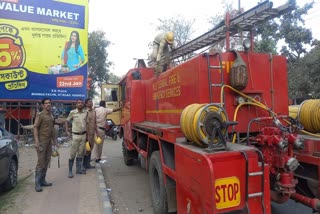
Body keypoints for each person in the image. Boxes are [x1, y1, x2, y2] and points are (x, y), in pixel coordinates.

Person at [33, 98, 57, 192]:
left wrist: (55, 141)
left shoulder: (51, 115)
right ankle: (37, 184)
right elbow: (35, 128)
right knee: (41, 162)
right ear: (43, 105)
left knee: (46, 161)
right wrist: (37, 142)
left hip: (49, 142)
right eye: (46, 103)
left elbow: (52, 129)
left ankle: (43, 180)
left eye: (49, 103)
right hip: (42, 142)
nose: (48, 105)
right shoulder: (40, 115)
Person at [65, 99, 88, 178]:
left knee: (80, 153)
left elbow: (86, 123)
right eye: (78, 103)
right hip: (75, 136)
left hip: (83, 135)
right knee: (72, 154)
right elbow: (67, 121)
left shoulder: (86, 113)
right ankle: (70, 171)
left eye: (81, 103)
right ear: (76, 104)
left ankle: (78, 170)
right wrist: (67, 131)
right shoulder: (72, 112)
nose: (80, 104)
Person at [83, 98, 97, 169]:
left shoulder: (94, 112)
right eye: (89, 102)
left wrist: (96, 133)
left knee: (90, 148)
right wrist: (86, 136)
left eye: (91, 102)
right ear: (86, 104)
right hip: (87, 134)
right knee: (86, 149)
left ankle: (87, 164)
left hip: (92, 134)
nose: (91, 103)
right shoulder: (85, 112)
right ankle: (83, 165)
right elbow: (84, 124)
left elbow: (95, 123)